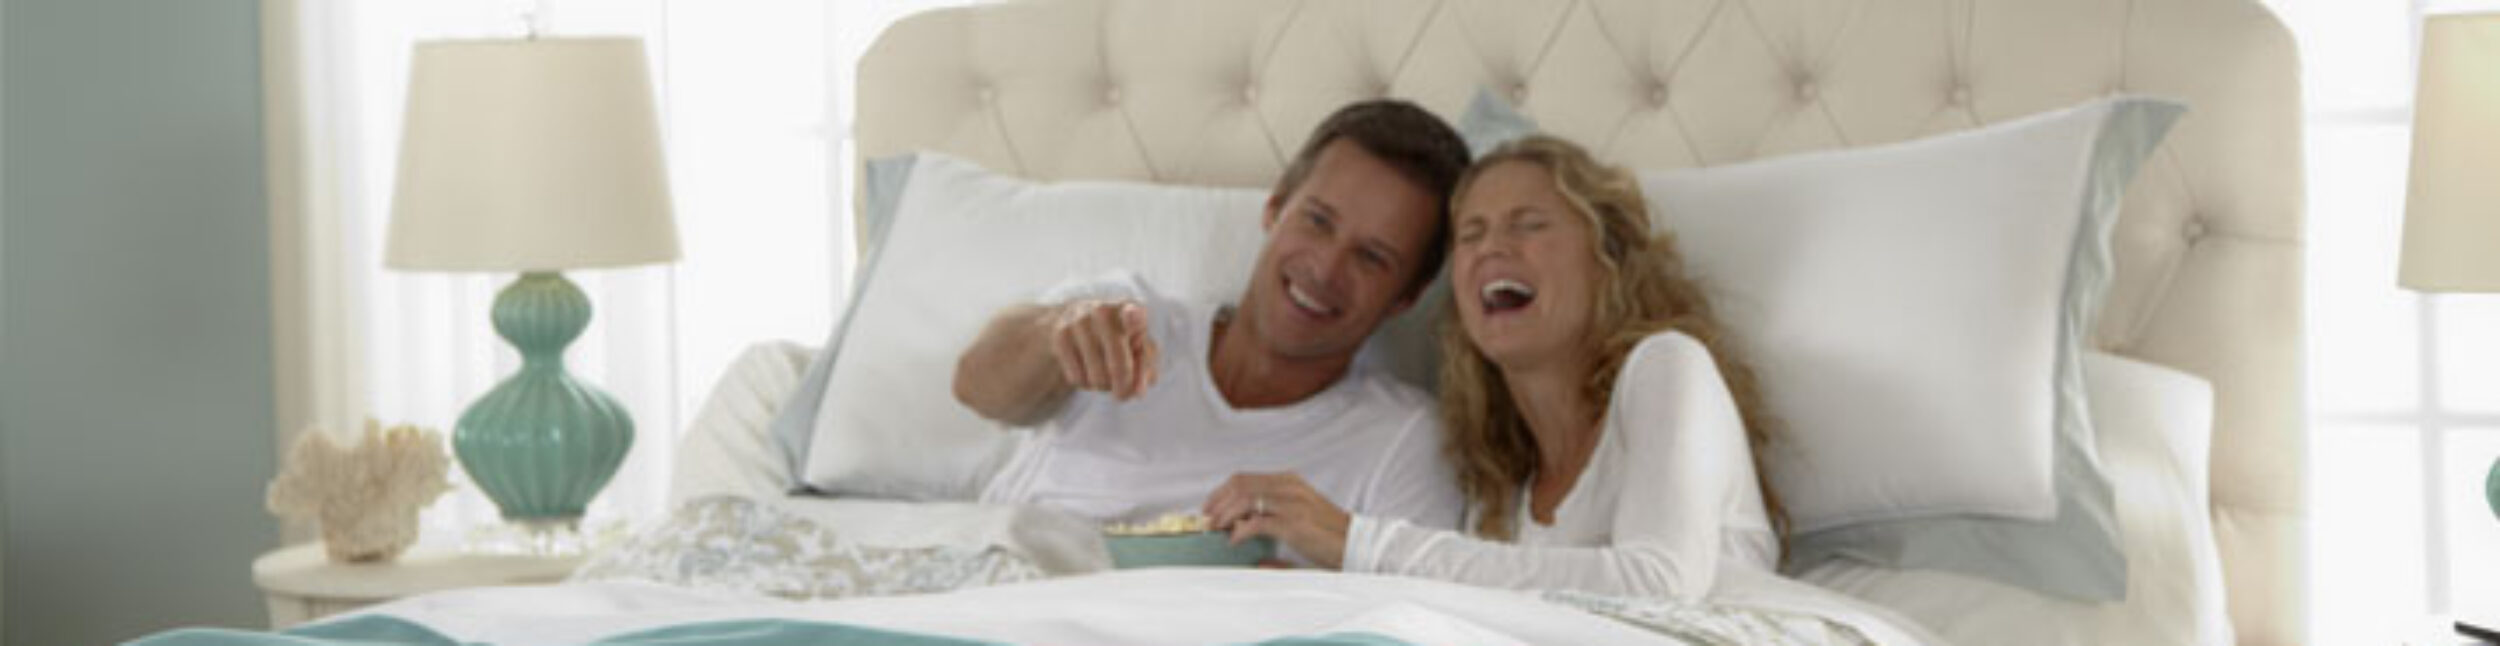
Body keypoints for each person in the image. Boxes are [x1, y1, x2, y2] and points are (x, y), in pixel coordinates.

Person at [1203, 135, 1789, 599]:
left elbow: (1659, 585)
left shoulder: (1667, 366)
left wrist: (1358, 542)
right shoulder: (1499, 492)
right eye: (1472, 234)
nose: (1491, 248)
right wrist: (1316, 596)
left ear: (1607, 257)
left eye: (1529, 225)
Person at [950, 100, 1473, 547]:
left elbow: (1407, 610)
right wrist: (1055, 337)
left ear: (1406, 297)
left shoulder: (1402, 442)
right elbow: (976, 387)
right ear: (1274, 209)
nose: (1325, 269)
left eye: (1372, 257)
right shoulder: (1127, 319)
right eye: (1317, 221)